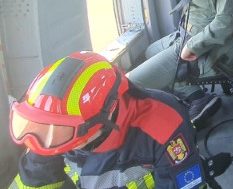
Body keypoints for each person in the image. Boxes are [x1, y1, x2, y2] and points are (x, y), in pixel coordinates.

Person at [9, 51, 207, 189]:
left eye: (62, 130)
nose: (49, 142)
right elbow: (33, 181)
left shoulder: (164, 125)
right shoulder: (47, 131)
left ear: (106, 116)